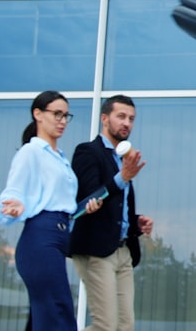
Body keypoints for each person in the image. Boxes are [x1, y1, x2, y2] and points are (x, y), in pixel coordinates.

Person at [0, 90, 102, 331]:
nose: (62, 121)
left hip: (59, 237)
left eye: (66, 116)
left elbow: (61, 203)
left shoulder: (60, 158)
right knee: (58, 312)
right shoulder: (31, 152)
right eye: (57, 114)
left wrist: (84, 209)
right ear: (38, 114)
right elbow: (12, 193)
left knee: (45, 316)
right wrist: (13, 206)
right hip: (41, 239)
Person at [69, 94, 153, 331]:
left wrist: (136, 223)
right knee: (105, 326)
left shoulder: (122, 159)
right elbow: (88, 198)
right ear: (104, 119)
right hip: (96, 250)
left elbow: (115, 208)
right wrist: (122, 177)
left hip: (123, 251)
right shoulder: (88, 152)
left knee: (125, 326)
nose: (127, 123)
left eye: (131, 119)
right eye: (121, 116)